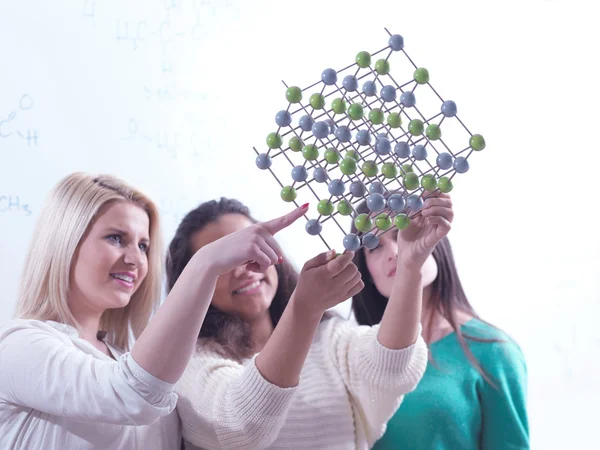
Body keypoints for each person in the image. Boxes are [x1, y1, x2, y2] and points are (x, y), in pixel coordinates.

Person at [0, 172, 304, 449]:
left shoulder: (130, 362)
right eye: (116, 238)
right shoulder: (19, 346)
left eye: (144, 246)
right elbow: (130, 395)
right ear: (65, 243)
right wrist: (205, 264)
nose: (135, 260)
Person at [166, 196, 453, 449]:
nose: (245, 269)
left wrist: (410, 267)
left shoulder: (328, 338)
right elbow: (243, 426)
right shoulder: (188, 362)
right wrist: (303, 309)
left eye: (252, 249)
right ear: (193, 283)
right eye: (224, 261)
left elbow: (389, 368)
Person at [351, 192, 529, 449]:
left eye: (402, 231)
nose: (394, 250)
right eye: (374, 247)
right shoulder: (354, 356)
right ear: (367, 273)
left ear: (437, 242)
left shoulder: (494, 351)